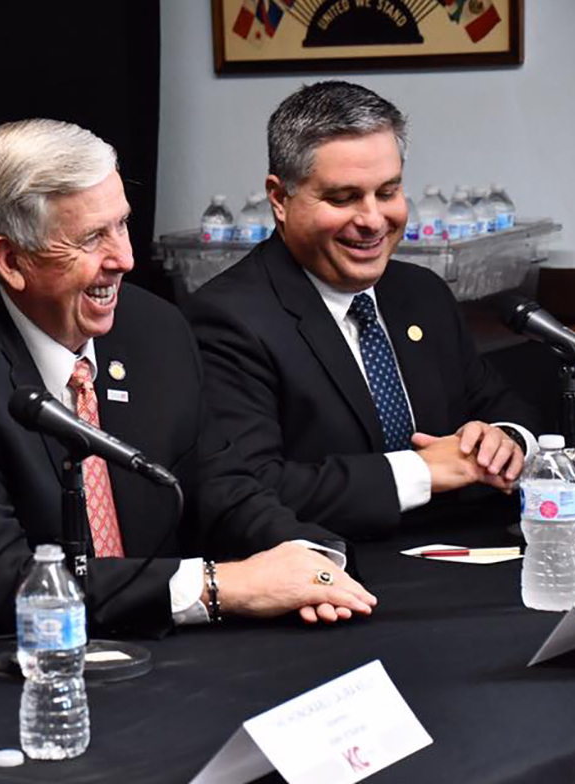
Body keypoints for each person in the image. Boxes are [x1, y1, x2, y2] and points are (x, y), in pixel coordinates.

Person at [0, 119, 376, 648]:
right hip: (18, 679)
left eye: (121, 225)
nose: (124, 259)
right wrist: (219, 586)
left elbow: (220, 487)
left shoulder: (155, 329)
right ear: (11, 260)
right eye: (91, 239)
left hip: (162, 656)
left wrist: (311, 560)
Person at [187, 81, 539, 546]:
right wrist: (422, 472)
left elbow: (505, 410)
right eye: (343, 198)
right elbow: (251, 490)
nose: (373, 219)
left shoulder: (422, 293)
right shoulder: (227, 318)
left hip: (462, 556)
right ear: (279, 199)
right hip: (334, 573)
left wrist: (504, 440)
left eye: (388, 191)